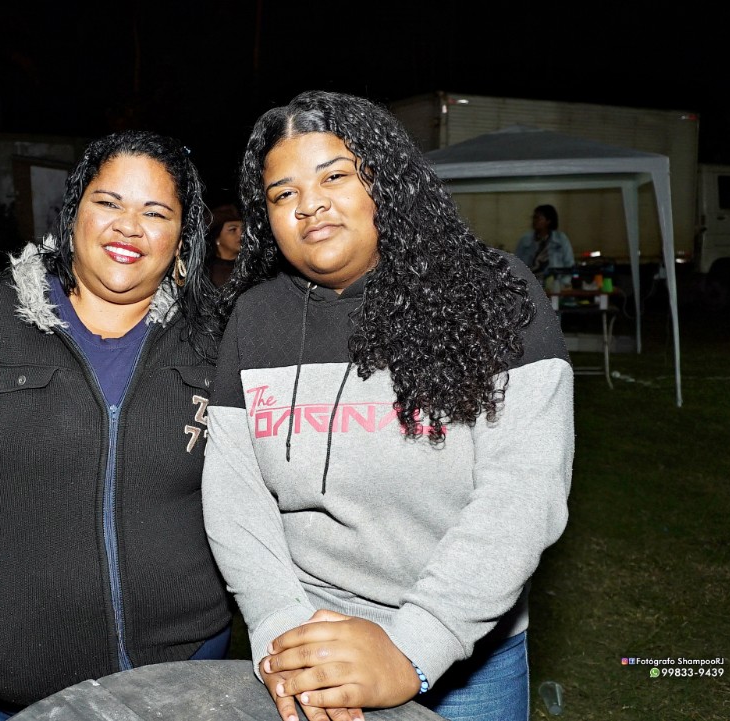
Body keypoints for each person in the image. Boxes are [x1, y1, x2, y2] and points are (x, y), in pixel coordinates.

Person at [202, 90, 573, 721]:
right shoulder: (254, 320)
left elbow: (522, 494)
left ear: (386, 180)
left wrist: (413, 648)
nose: (309, 204)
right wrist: (283, 630)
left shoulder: (495, 294)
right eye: (283, 193)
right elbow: (235, 496)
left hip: (467, 653)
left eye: (334, 177)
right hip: (306, 645)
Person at [0, 130, 232, 720]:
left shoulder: (213, 336)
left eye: (155, 212)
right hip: (24, 677)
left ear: (183, 236)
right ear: (73, 212)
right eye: (108, 202)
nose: (128, 227)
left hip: (188, 670)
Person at [514, 204, 575, 282]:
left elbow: (569, 264)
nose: (534, 221)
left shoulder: (560, 239)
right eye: (534, 218)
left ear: (548, 221)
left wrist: (564, 283)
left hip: (555, 283)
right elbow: (516, 264)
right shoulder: (525, 240)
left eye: (538, 218)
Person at [205, 202, 243, 286]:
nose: (242, 234)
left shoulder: (250, 267)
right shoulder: (206, 273)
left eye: (244, 229)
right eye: (233, 229)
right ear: (217, 238)